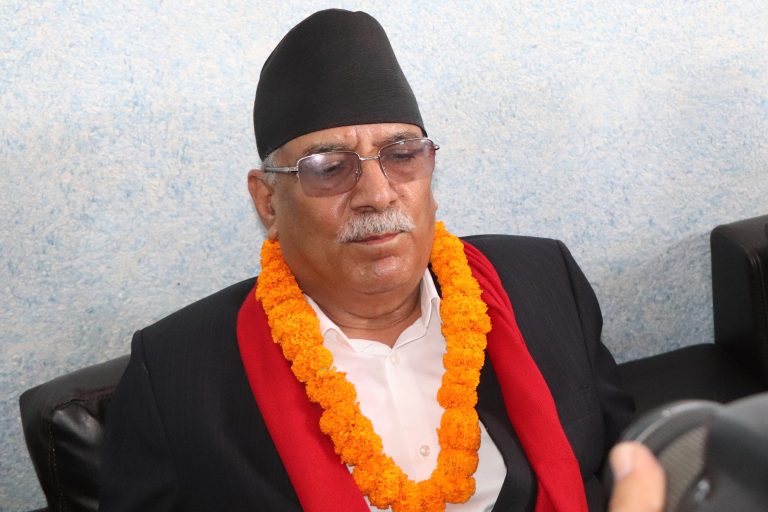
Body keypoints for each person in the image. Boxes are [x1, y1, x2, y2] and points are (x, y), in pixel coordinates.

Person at [99, 9, 636, 512]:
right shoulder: (174, 376)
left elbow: (631, 464)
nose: (378, 195)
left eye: (402, 155)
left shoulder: (542, 283)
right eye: (329, 168)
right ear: (268, 203)